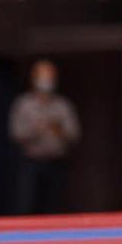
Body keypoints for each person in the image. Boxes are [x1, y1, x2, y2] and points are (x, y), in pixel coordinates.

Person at [9, 59, 82, 214]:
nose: (46, 81)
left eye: (50, 77)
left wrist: (58, 129)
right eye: (43, 77)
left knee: (54, 206)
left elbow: (74, 134)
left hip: (56, 162)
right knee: (26, 204)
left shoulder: (62, 105)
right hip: (31, 162)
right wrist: (37, 129)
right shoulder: (24, 104)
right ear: (34, 78)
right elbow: (16, 133)